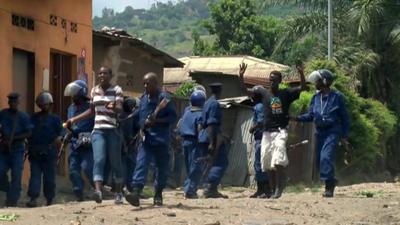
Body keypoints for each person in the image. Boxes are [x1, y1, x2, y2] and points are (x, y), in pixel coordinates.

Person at [65, 67, 124, 204]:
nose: (102, 75)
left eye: (105, 73)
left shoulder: (117, 90)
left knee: (116, 162)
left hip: (112, 129)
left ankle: (119, 192)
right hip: (98, 131)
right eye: (100, 73)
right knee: (99, 160)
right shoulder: (94, 90)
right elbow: (91, 111)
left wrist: (113, 106)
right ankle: (98, 191)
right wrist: (74, 119)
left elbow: (120, 109)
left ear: (111, 75)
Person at [295, 69, 349, 198]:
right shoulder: (315, 98)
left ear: (325, 81)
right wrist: (296, 118)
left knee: (326, 157)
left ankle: (328, 188)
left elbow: (345, 118)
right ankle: (331, 180)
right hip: (320, 132)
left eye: (318, 81)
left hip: (332, 131)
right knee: (319, 161)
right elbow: (310, 115)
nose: (315, 83)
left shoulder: (337, 97)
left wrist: (344, 136)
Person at [125, 72, 177, 207]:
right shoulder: (143, 99)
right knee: (141, 164)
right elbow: (140, 117)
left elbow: (172, 118)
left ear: (155, 83)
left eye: (148, 83)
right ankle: (136, 193)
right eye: (144, 83)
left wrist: (157, 121)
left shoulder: (164, 98)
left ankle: (158, 193)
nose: (145, 85)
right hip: (146, 139)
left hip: (161, 140)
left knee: (162, 169)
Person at [260, 66, 306, 199]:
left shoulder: (286, 93)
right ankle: (273, 189)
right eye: (270, 80)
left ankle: (279, 189)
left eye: (274, 80)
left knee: (278, 160)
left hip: (280, 131)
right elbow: (245, 91)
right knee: (267, 162)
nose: (272, 82)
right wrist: (241, 77)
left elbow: (302, 88)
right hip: (267, 133)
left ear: (280, 81)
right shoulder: (264, 94)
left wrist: (301, 73)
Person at [26, 92, 62, 207]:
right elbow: (29, 132)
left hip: (49, 152)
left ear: (50, 105)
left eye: (45, 104)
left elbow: (61, 133)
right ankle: (33, 198)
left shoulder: (55, 119)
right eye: (41, 104)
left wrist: (59, 139)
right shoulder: (33, 118)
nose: (43, 106)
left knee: (49, 178)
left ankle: (49, 199)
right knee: (35, 177)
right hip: (35, 151)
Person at [64, 80, 95, 202]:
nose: (72, 98)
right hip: (74, 143)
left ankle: (98, 189)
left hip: (87, 143)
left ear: (81, 94)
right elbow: (70, 124)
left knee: (88, 168)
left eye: (74, 95)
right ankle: (79, 193)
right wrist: (67, 134)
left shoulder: (90, 107)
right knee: (73, 170)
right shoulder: (70, 108)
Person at [0, 93, 32, 207]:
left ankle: (12, 200)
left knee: (16, 175)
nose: (12, 103)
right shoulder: (3, 114)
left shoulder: (23, 116)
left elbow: (29, 132)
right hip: (3, 149)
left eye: (14, 101)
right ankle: (7, 189)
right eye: (10, 101)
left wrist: (14, 138)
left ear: (18, 103)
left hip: (17, 149)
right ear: (8, 102)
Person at [198, 83, 228, 198]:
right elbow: (212, 124)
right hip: (212, 137)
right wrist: (212, 142)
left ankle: (209, 187)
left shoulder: (207, 103)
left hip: (204, 136)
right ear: (220, 90)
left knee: (209, 163)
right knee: (221, 162)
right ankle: (210, 188)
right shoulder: (215, 104)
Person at [178, 90, 206, 199]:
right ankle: (190, 191)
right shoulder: (200, 114)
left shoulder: (187, 111)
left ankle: (187, 188)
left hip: (185, 141)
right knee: (196, 168)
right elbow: (199, 129)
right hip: (195, 142)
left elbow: (179, 124)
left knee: (189, 167)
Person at [247, 85, 271, 198]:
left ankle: (265, 190)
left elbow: (261, 121)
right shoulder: (262, 105)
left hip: (261, 138)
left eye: (253, 94)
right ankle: (261, 190)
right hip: (262, 138)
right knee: (260, 164)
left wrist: (253, 128)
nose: (251, 96)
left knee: (260, 164)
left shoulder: (259, 107)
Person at [118, 96, 139, 192]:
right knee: (130, 166)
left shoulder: (120, 116)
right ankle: (127, 186)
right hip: (128, 145)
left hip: (125, 145)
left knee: (125, 166)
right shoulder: (130, 116)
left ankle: (125, 186)